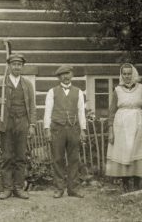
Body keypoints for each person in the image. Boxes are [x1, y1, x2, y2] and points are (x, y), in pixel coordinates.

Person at [0, 53, 37, 200]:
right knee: (7, 156)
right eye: (14, 64)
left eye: (19, 64)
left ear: (22, 67)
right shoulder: (1, 84)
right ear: (9, 66)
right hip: (6, 122)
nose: (17, 67)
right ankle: (7, 188)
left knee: (21, 156)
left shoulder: (27, 84)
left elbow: (32, 106)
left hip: (22, 122)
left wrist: (32, 125)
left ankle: (18, 188)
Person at [106, 63, 142, 191]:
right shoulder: (117, 90)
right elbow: (112, 111)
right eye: (124, 74)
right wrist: (110, 130)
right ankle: (125, 184)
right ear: (121, 75)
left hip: (138, 123)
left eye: (129, 73)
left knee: (136, 150)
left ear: (133, 74)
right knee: (124, 152)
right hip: (121, 125)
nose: (127, 76)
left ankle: (137, 184)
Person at [44, 65, 87, 198]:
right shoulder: (52, 92)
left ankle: (73, 188)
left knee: (74, 158)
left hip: (73, 129)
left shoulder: (78, 92)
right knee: (57, 158)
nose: (65, 76)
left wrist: (83, 130)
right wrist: (47, 129)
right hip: (57, 128)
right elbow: (48, 111)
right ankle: (59, 188)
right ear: (59, 77)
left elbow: (81, 112)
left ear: (72, 75)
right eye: (62, 74)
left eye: (67, 73)